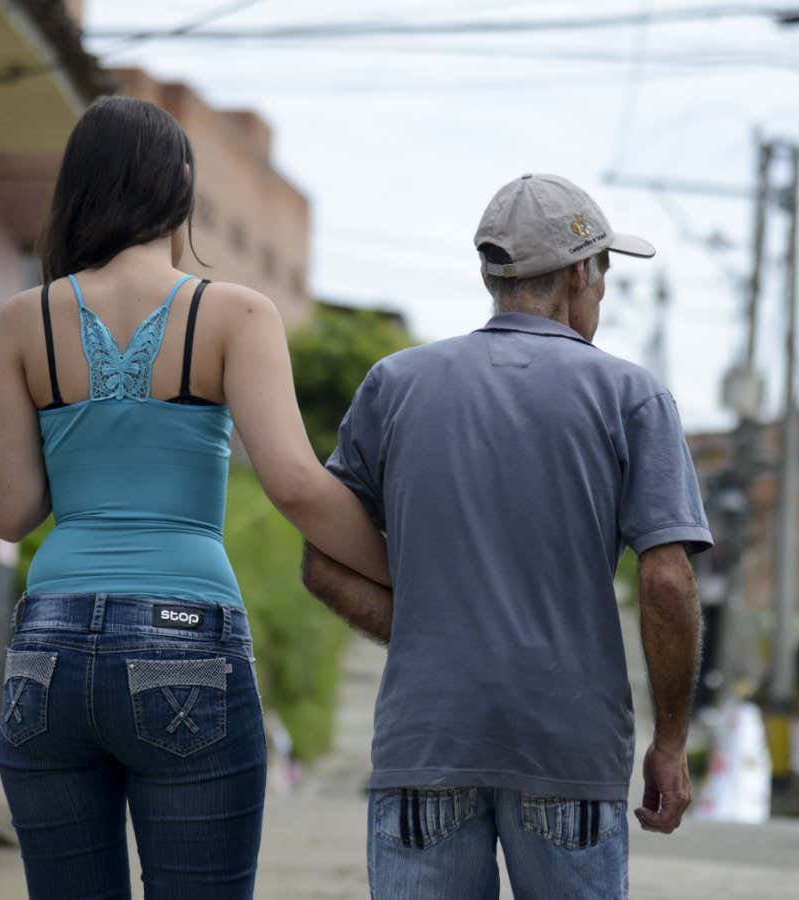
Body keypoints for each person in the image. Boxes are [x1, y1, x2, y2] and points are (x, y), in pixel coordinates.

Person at [0, 96, 389, 900]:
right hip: (184, 633)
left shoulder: (25, 322)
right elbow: (300, 489)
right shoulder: (233, 313)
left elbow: (8, 511)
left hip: (50, 643)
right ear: (183, 187)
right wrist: (403, 575)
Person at [302, 174, 712, 899]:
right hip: (568, 753)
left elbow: (323, 564)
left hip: (426, 747)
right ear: (581, 274)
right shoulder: (631, 396)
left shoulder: (394, 384)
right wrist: (671, 742)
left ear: (493, 274)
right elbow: (667, 579)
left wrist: (429, 630)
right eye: (606, 276)